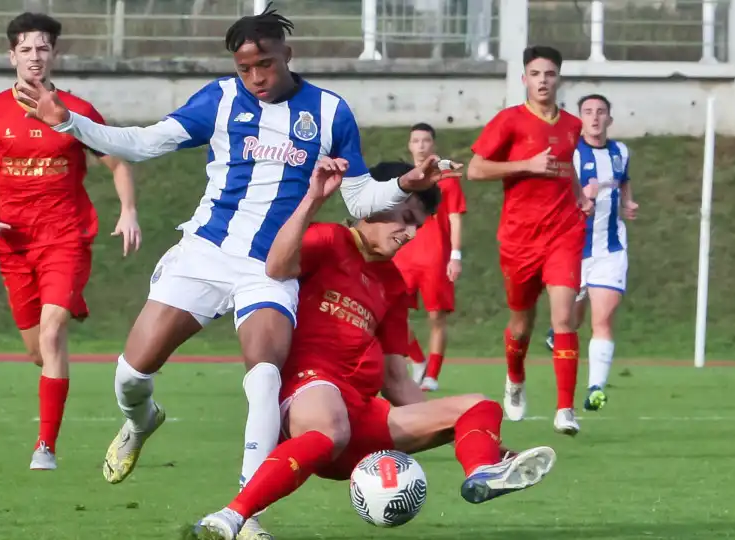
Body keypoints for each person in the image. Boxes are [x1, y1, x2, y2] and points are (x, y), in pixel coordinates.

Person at [15, 5, 441, 534]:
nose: (256, 77)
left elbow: (358, 198)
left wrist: (405, 185)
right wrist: (71, 123)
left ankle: (246, 510)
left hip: (270, 269)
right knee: (132, 374)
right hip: (206, 254)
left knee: (263, 380)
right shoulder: (219, 99)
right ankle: (142, 418)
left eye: (265, 63)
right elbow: (146, 143)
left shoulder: (330, 112)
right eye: (245, 68)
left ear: (289, 54)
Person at [194, 161, 557, 540]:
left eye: (418, 225)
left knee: (480, 407)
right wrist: (312, 200)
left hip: (363, 416)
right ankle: (231, 517)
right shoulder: (330, 240)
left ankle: (483, 470)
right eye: (405, 217)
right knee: (330, 427)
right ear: (376, 202)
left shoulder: (394, 284)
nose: (411, 233)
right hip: (309, 396)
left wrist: (470, 433)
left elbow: (397, 379)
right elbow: (277, 266)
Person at [0, 12, 141, 471]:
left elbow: (115, 161)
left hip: (66, 238)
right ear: (11, 55)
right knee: (40, 351)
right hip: (14, 245)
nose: (34, 56)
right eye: (26, 49)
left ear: (54, 54)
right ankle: (57, 340)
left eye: (42, 48)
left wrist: (128, 210)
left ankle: (46, 448)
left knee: (53, 331)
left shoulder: (75, 111)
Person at [466, 45, 595, 436]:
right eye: (536, 74)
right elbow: (475, 169)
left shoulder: (572, 126)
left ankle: (565, 409)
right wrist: (526, 164)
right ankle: (515, 377)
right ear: (524, 79)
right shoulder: (508, 121)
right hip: (519, 238)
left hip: (564, 233)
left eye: (550, 74)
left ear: (559, 79)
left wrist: (579, 195)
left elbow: (565, 167)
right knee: (521, 325)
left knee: (563, 317)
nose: (543, 80)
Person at [543, 94, 638, 412]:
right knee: (571, 318)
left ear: (610, 118)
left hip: (610, 248)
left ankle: (596, 387)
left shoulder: (621, 152)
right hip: (571, 248)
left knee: (604, 318)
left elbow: (623, 182)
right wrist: (581, 195)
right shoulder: (568, 154)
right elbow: (552, 197)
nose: (595, 117)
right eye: (588, 112)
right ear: (579, 118)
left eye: (601, 112)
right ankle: (559, 331)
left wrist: (628, 203)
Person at [394, 123, 467, 391]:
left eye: (426, 140)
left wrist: (456, 256)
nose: (421, 145)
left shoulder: (447, 178)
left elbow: (455, 217)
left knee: (437, 317)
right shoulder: (402, 179)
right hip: (404, 257)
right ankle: (417, 360)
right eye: (416, 140)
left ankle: (432, 375)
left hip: (436, 256)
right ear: (410, 145)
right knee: (394, 314)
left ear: (433, 145)